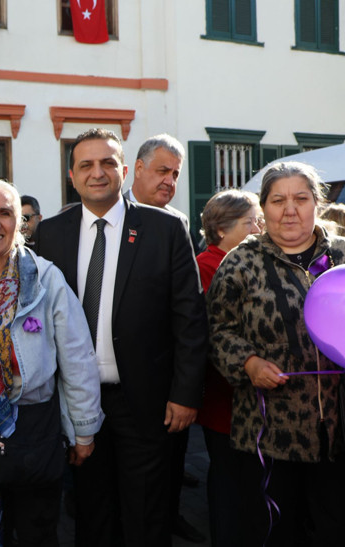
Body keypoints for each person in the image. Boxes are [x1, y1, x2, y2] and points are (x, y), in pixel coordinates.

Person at [36, 128, 208, 546]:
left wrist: (185, 394)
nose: (98, 173)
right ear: (72, 177)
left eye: (108, 163)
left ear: (125, 170)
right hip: (77, 400)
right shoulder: (50, 234)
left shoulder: (164, 229)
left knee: (145, 516)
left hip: (146, 402)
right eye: (86, 165)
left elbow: (189, 317)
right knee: (92, 514)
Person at [207, 161, 345, 545]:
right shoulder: (241, 262)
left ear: (317, 203)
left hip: (337, 430)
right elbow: (218, 330)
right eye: (278, 200)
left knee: (338, 530)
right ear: (263, 208)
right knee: (278, 532)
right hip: (268, 434)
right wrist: (248, 362)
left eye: (301, 198)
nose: (290, 209)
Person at [0, 179, 103, 546]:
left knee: (37, 532)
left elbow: (77, 357)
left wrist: (84, 429)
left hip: (34, 429)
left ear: (20, 223)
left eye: (5, 213)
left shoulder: (46, 278)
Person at [127, 132, 205, 543]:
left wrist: (185, 387)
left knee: (170, 462)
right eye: (162, 171)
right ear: (136, 169)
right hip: (111, 379)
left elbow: (187, 312)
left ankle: (170, 516)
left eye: (175, 174)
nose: (169, 182)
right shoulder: (97, 220)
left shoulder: (176, 224)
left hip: (166, 378)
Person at [195, 189, 263, 546]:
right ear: (221, 229)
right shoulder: (206, 266)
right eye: (250, 221)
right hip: (226, 396)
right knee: (229, 481)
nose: (258, 227)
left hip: (249, 397)